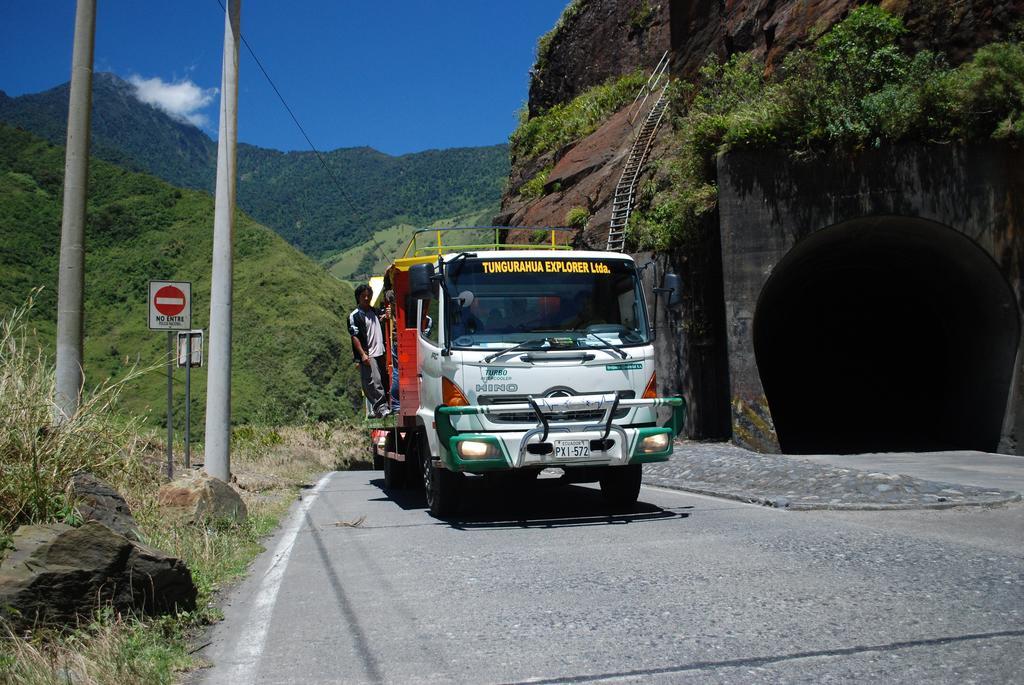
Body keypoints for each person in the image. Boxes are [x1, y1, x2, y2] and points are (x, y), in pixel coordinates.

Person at [349, 284, 391, 418]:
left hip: (381, 352)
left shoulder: (376, 312)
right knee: (374, 382)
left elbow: (384, 319)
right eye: (363, 296)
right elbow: (354, 336)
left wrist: (387, 316)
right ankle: (382, 408)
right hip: (369, 354)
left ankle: (381, 409)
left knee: (384, 380)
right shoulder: (355, 316)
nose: (367, 298)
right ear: (358, 297)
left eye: (369, 295)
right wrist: (362, 354)